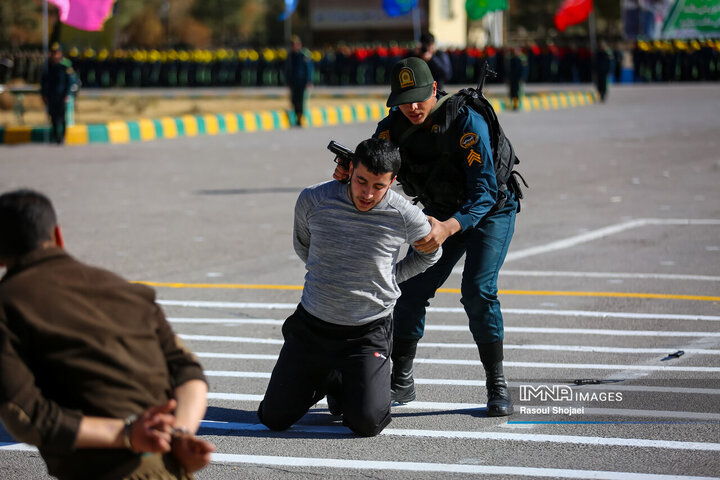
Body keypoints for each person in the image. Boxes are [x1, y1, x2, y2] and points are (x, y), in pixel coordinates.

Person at [333, 57, 520, 417]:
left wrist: (449, 227)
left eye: (420, 97)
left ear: (434, 89)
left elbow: (484, 191)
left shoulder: (466, 121)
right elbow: (372, 166)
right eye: (404, 100)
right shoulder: (391, 129)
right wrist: (349, 171)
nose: (413, 107)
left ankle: (496, 383)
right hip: (438, 212)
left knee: (478, 292)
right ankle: (402, 378)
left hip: (490, 211)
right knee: (412, 289)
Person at [0, 189, 215, 479]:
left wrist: (126, 434)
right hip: (170, 470)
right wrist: (180, 432)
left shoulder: (8, 302)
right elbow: (188, 371)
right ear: (58, 235)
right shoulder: (125, 290)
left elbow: (25, 415)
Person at [258, 138, 441, 437]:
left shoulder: (405, 214)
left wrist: (391, 277)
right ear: (351, 169)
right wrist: (329, 272)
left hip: (366, 333)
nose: (368, 193)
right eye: (361, 181)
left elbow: (431, 252)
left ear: (393, 182)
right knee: (273, 417)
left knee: (366, 424)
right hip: (312, 327)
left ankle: (345, 379)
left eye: (379, 186)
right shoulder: (314, 199)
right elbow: (304, 245)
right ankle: (330, 376)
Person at [40, 43, 74, 144]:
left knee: (62, 117)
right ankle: (55, 136)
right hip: (51, 96)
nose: (55, 55)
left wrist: (68, 94)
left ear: (60, 54)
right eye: (53, 53)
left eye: (57, 53)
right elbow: (44, 82)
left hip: (62, 96)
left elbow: (69, 82)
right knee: (53, 117)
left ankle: (62, 137)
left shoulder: (65, 66)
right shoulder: (48, 66)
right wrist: (43, 94)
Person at [286, 36, 314, 127]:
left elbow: (309, 69)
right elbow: (288, 69)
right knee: (294, 101)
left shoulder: (304, 55)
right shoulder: (290, 56)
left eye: (296, 44)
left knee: (301, 101)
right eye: (292, 45)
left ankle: (300, 119)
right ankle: (295, 117)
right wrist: (288, 81)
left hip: (302, 82)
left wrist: (309, 81)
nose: (294, 46)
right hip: (293, 82)